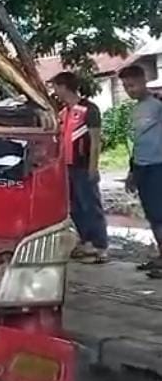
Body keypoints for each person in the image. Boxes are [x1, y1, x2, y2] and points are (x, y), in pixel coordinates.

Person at [50, 72, 109, 263]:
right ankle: (86, 242)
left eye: (56, 87)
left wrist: (93, 167)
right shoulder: (63, 112)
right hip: (67, 166)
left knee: (90, 205)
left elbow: (95, 141)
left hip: (83, 166)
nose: (55, 92)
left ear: (64, 86)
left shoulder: (89, 109)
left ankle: (100, 246)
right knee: (75, 206)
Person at [119, 65, 162, 277]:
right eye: (126, 86)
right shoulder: (135, 110)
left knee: (160, 215)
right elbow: (137, 143)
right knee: (153, 216)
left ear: (144, 81)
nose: (130, 90)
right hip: (142, 168)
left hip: (158, 167)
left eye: (133, 85)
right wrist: (131, 172)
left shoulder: (158, 105)